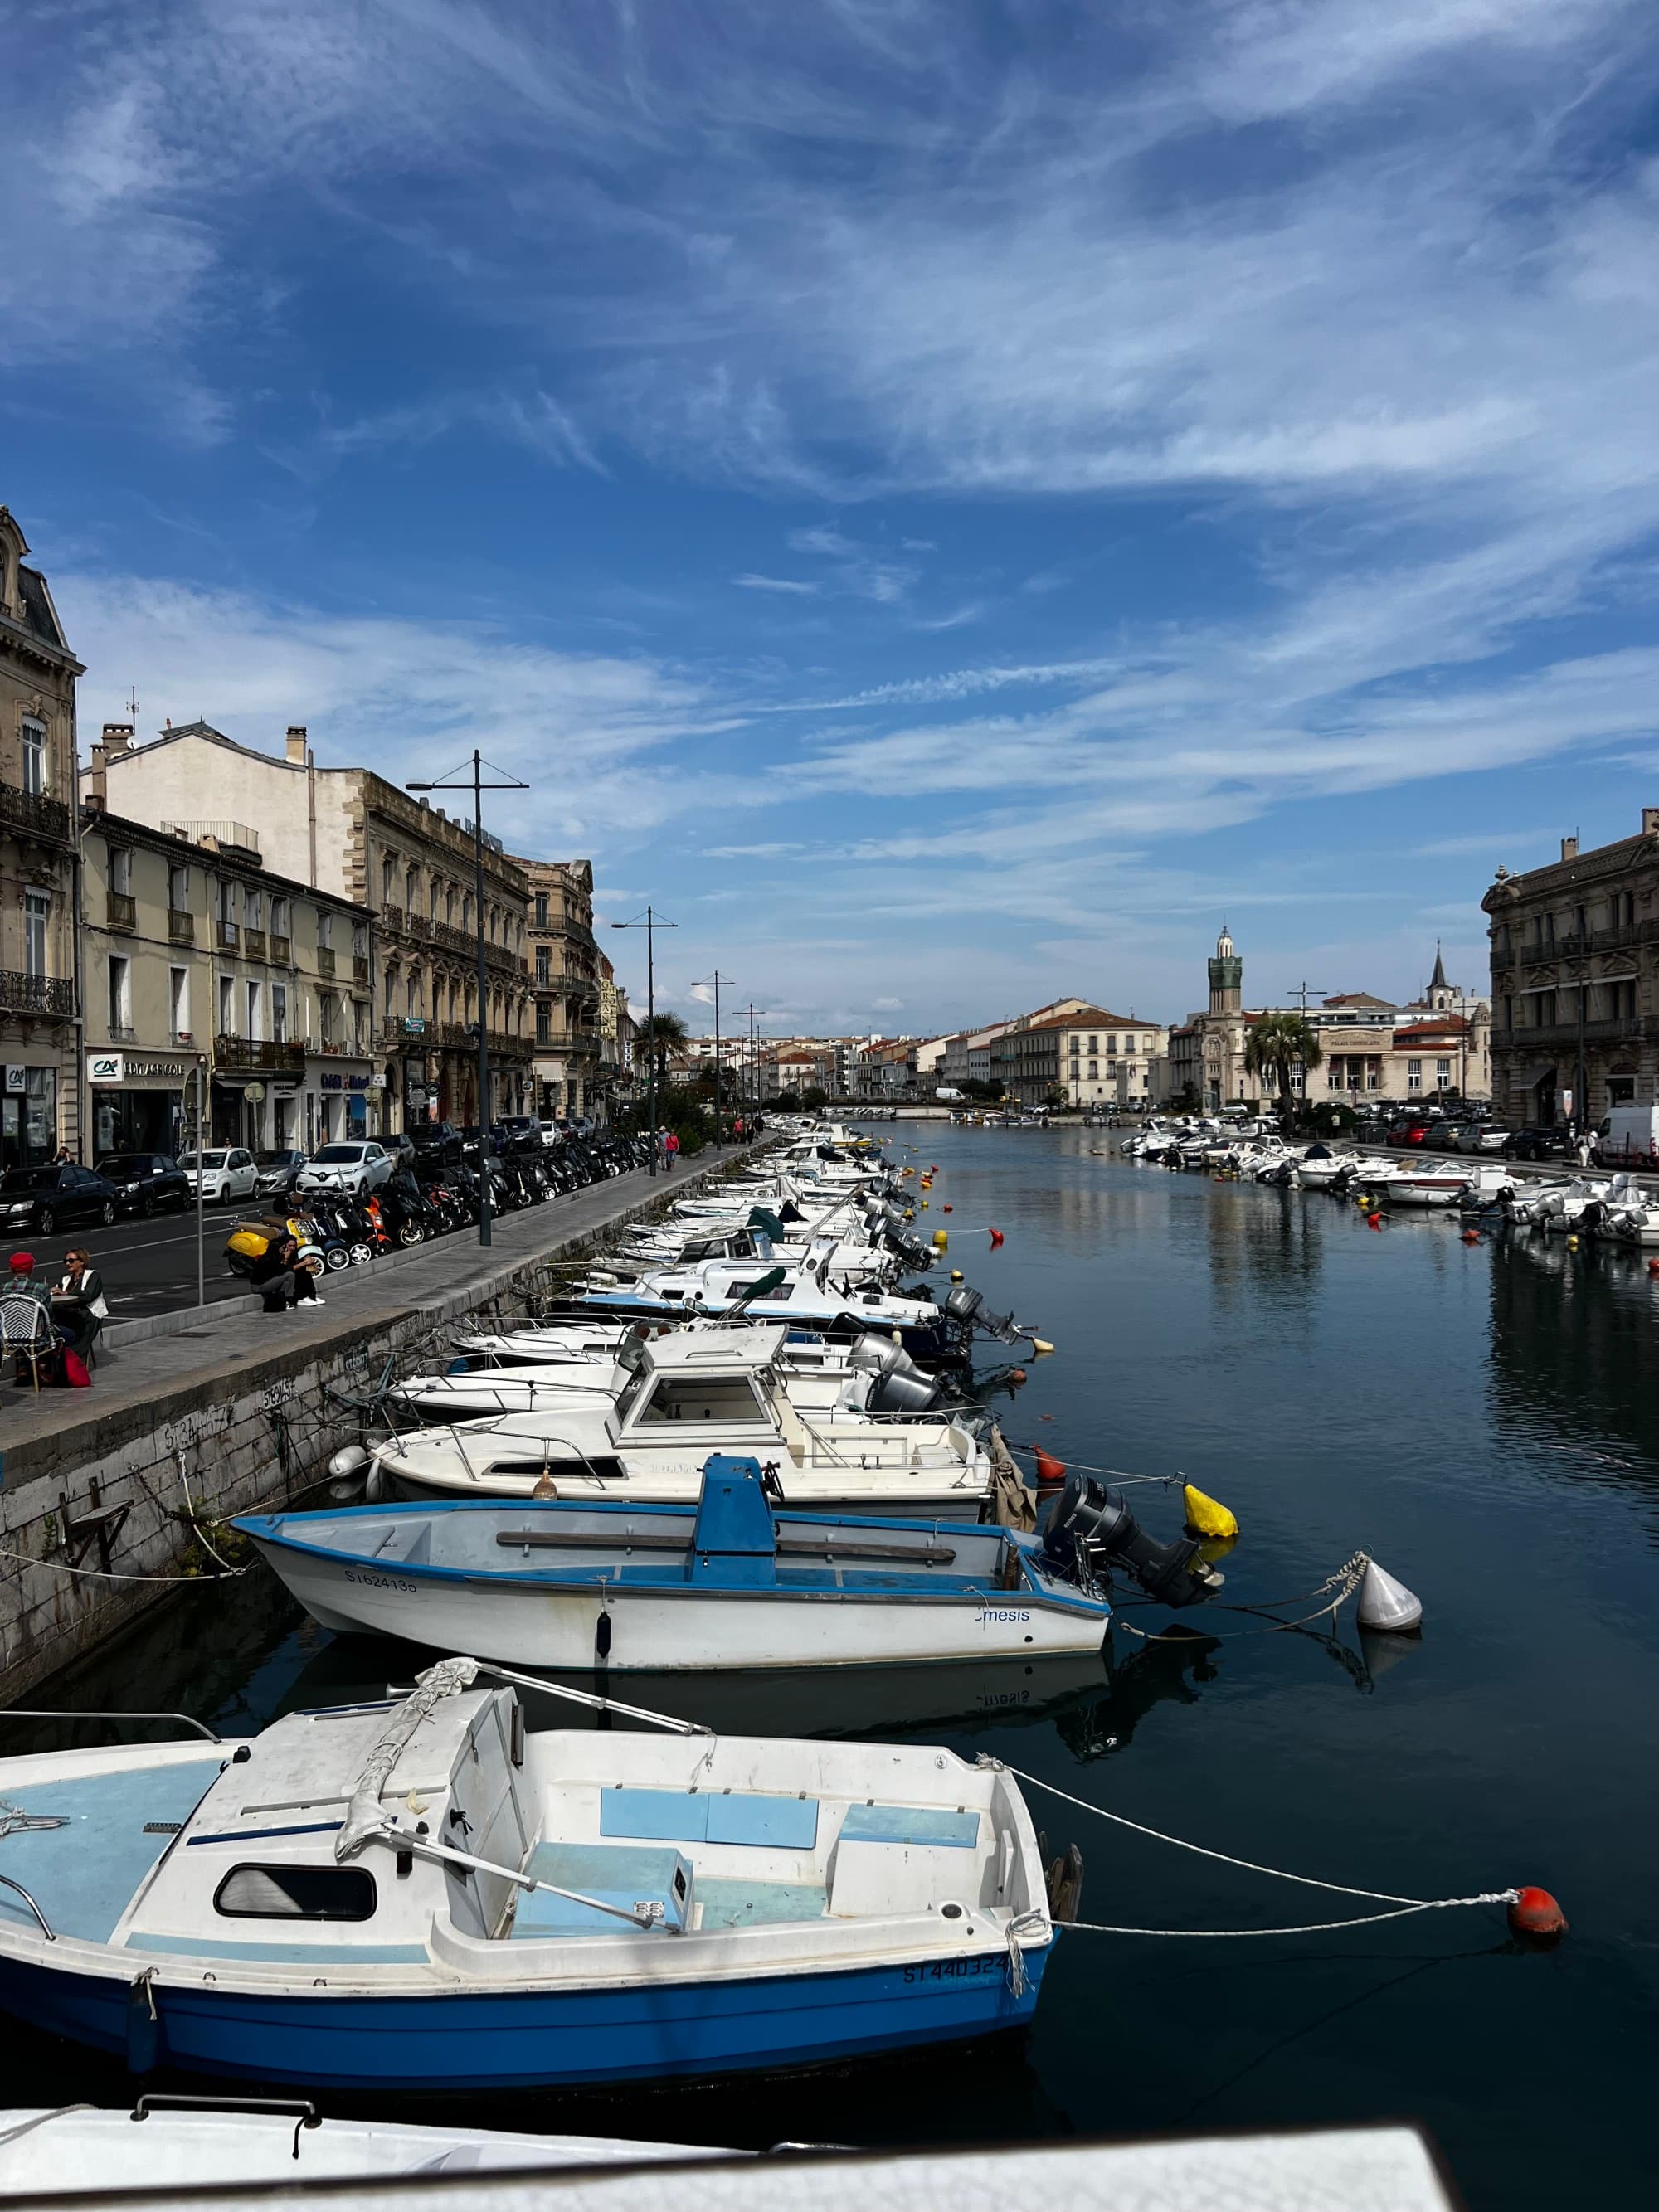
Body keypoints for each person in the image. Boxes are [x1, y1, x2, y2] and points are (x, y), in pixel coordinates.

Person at [51, 1249, 108, 1358]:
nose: (68, 1264)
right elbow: (59, 1295)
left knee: (77, 1341)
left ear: (82, 1262)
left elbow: (88, 1296)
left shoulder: (93, 1275)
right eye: (66, 1261)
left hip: (88, 1314)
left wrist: (66, 1293)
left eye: (71, 1260)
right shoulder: (65, 1279)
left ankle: (72, 1362)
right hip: (69, 1314)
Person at [247, 1234, 324, 1314]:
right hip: (259, 1286)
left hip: (270, 1282)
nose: (284, 1250)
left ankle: (310, 1296)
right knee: (290, 1274)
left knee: (300, 1272)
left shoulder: (278, 1256)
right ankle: (291, 1300)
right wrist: (287, 1259)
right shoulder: (268, 1259)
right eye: (283, 1248)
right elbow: (285, 1269)